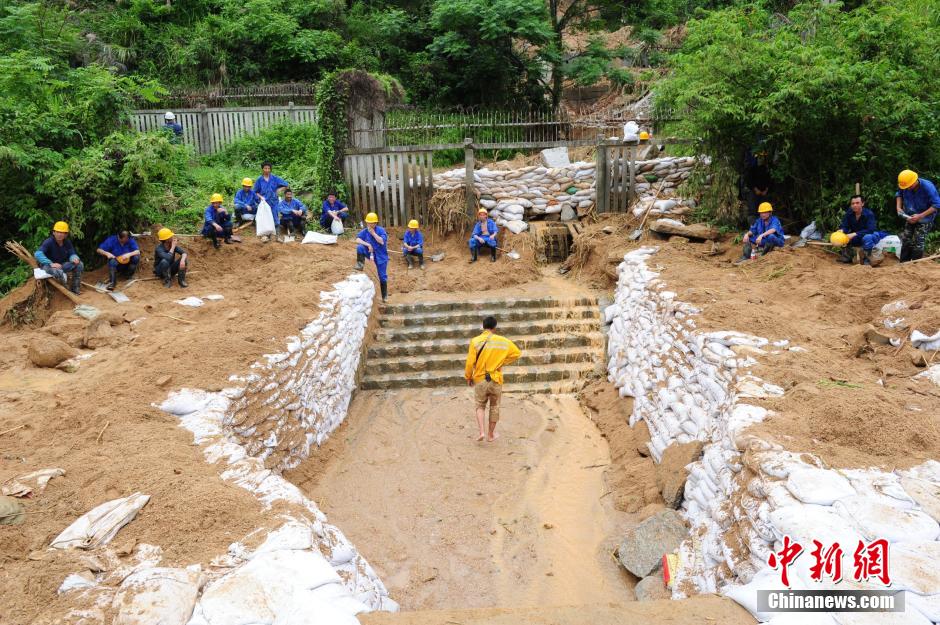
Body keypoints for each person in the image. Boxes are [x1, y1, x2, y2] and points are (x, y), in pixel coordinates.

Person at [464, 316, 521, 442]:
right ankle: (491, 435)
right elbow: (517, 353)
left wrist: (468, 377)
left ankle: (482, 432)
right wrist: (502, 362)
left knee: (480, 406)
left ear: (483, 326)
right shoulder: (503, 341)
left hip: (480, 379)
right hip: (496, 379)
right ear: (495, 327)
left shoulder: (475, 341)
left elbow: (469, 363)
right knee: (495, 407)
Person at [896, 169, 939, 262]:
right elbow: (899, 194)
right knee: (906, 239)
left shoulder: (928, 187)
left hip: (925, 218)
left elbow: (936, 206)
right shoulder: (905, 184)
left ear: (915, 180)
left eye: (909, 186)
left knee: (918, 242)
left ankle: (915, 265)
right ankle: (903, 264)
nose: (907, 188)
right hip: (909, 216)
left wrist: (920, 216)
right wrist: (898, 207)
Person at [35, 221, 84, 295]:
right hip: (48, 266)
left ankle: (75, 288)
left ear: (66, 234)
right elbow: (38, 254)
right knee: (58, 272)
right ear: (54, 232)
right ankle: (66, 291)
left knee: (79, 264)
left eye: (62, 232)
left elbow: (72, 253)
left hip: (61, 265)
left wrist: (74, 258)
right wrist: (50, 263)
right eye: (57, 232)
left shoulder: (67, 242)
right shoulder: (49, 242)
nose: (60, 234)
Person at [835, 195, 887, 265]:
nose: (854, 205)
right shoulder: (849, 213)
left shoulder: (869, 214)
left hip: (871, 236)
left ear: (862, 204)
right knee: (842, 236)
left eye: (857, 203)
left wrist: (854, 234)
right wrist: (842, 231)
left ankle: (867, 259)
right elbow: (845, 226)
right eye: (853, 203)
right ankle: (847, 257)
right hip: (857, 237)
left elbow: (870, 230)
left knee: (867, 237)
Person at [356, 212, 389, 302]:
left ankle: (384, 296)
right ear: (367, 223)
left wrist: (374, 234)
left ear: (376, 223)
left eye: (373, 223)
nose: (370, 224)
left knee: (382, 276)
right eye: (369, 223)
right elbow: (357, 239)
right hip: (370, 253)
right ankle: (359, 264)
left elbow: (382, 241)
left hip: (381, 256)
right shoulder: (365, 231)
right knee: (359, 247)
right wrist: (367, 244)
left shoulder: (381, 230)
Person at [252, 162, 289, 232]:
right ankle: (264, 230)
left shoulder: (275, 178)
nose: (267, 170)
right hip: (264, 201)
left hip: (274, 200)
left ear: (270, 169)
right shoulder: (259, 180)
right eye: (265, 168)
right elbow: (255, 192)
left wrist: (279, 189)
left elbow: (286, 185)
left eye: (268, 168)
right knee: (264, 217)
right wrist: (261, 197)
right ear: (262, 169)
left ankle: (277, 229)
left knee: (275, 215)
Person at [742, 150, 772, 219]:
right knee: (753, 211)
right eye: (759, 157)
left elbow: (769, 180)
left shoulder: (766, 168)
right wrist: (756, 189)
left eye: (763, 157)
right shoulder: (752, 168)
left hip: (764, 193)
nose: (761, 159)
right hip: (753, 192)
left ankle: (763, 228)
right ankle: (754, 228)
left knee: (764, 211)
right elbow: (749, 180)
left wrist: (766, 190)